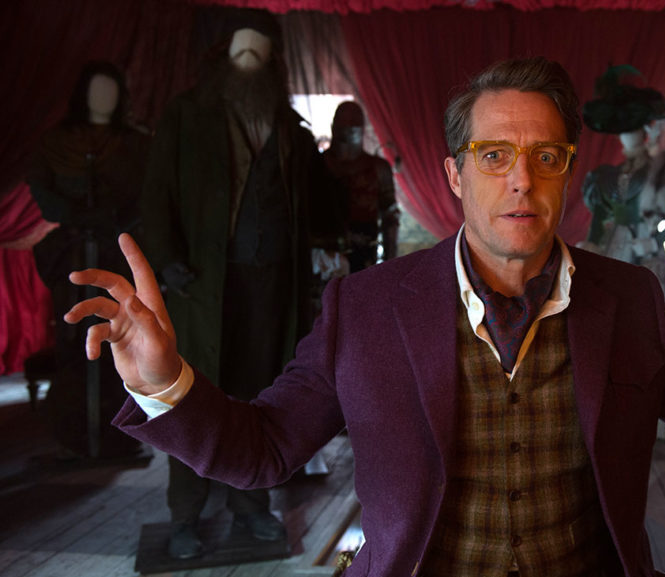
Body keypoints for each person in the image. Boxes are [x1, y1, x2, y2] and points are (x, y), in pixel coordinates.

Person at [65, 57, 665, 576]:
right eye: (493, 155)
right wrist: (165, 384)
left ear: (567, 170)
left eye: (544, 156)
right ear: (454, 175)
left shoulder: (629, 299)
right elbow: (264, 449)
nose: (521, 179)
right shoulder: (364, 307)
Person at [139, 9, 319, 559]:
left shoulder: (288, 129)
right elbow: (157, 193)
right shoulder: (186, 115)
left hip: (270, 291)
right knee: (189, 397)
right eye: (242, 48)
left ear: (273, 62)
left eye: (260, 51)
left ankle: (252, 505)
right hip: (202, 287)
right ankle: (185, 516)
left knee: (259, 397)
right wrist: (167, 260)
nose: (250, 58)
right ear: (222, 56)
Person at [27, 60, 148, 461]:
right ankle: (75, 433)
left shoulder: (135, 144)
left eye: (110, 90)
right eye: (97, 90)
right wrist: (77, 215)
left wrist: (114, 219)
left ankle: (119, 432)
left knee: (120, 337)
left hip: (116, 251)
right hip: (73, 252)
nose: (104, 98)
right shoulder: (56, 143)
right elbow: (43, 189)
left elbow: (147, 194)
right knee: (74, 339)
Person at [580, 65, 665, 325]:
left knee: (649, 315)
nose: (627, 137)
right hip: (611, 249)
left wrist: (659, 238)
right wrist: (591, 246)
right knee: (611, 315)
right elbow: (600, 217)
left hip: (646, 249)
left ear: (645, 130)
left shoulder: (663, 169)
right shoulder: (605, 176)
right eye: (623, 131)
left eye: (633, 129)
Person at [321, 100, 399, 273]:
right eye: (342, 128)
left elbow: (390, 218)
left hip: (364, 253)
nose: (346, 136)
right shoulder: (318, 165)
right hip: (323, 254)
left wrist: (390, 266)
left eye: (351, 130)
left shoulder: (378, 168)